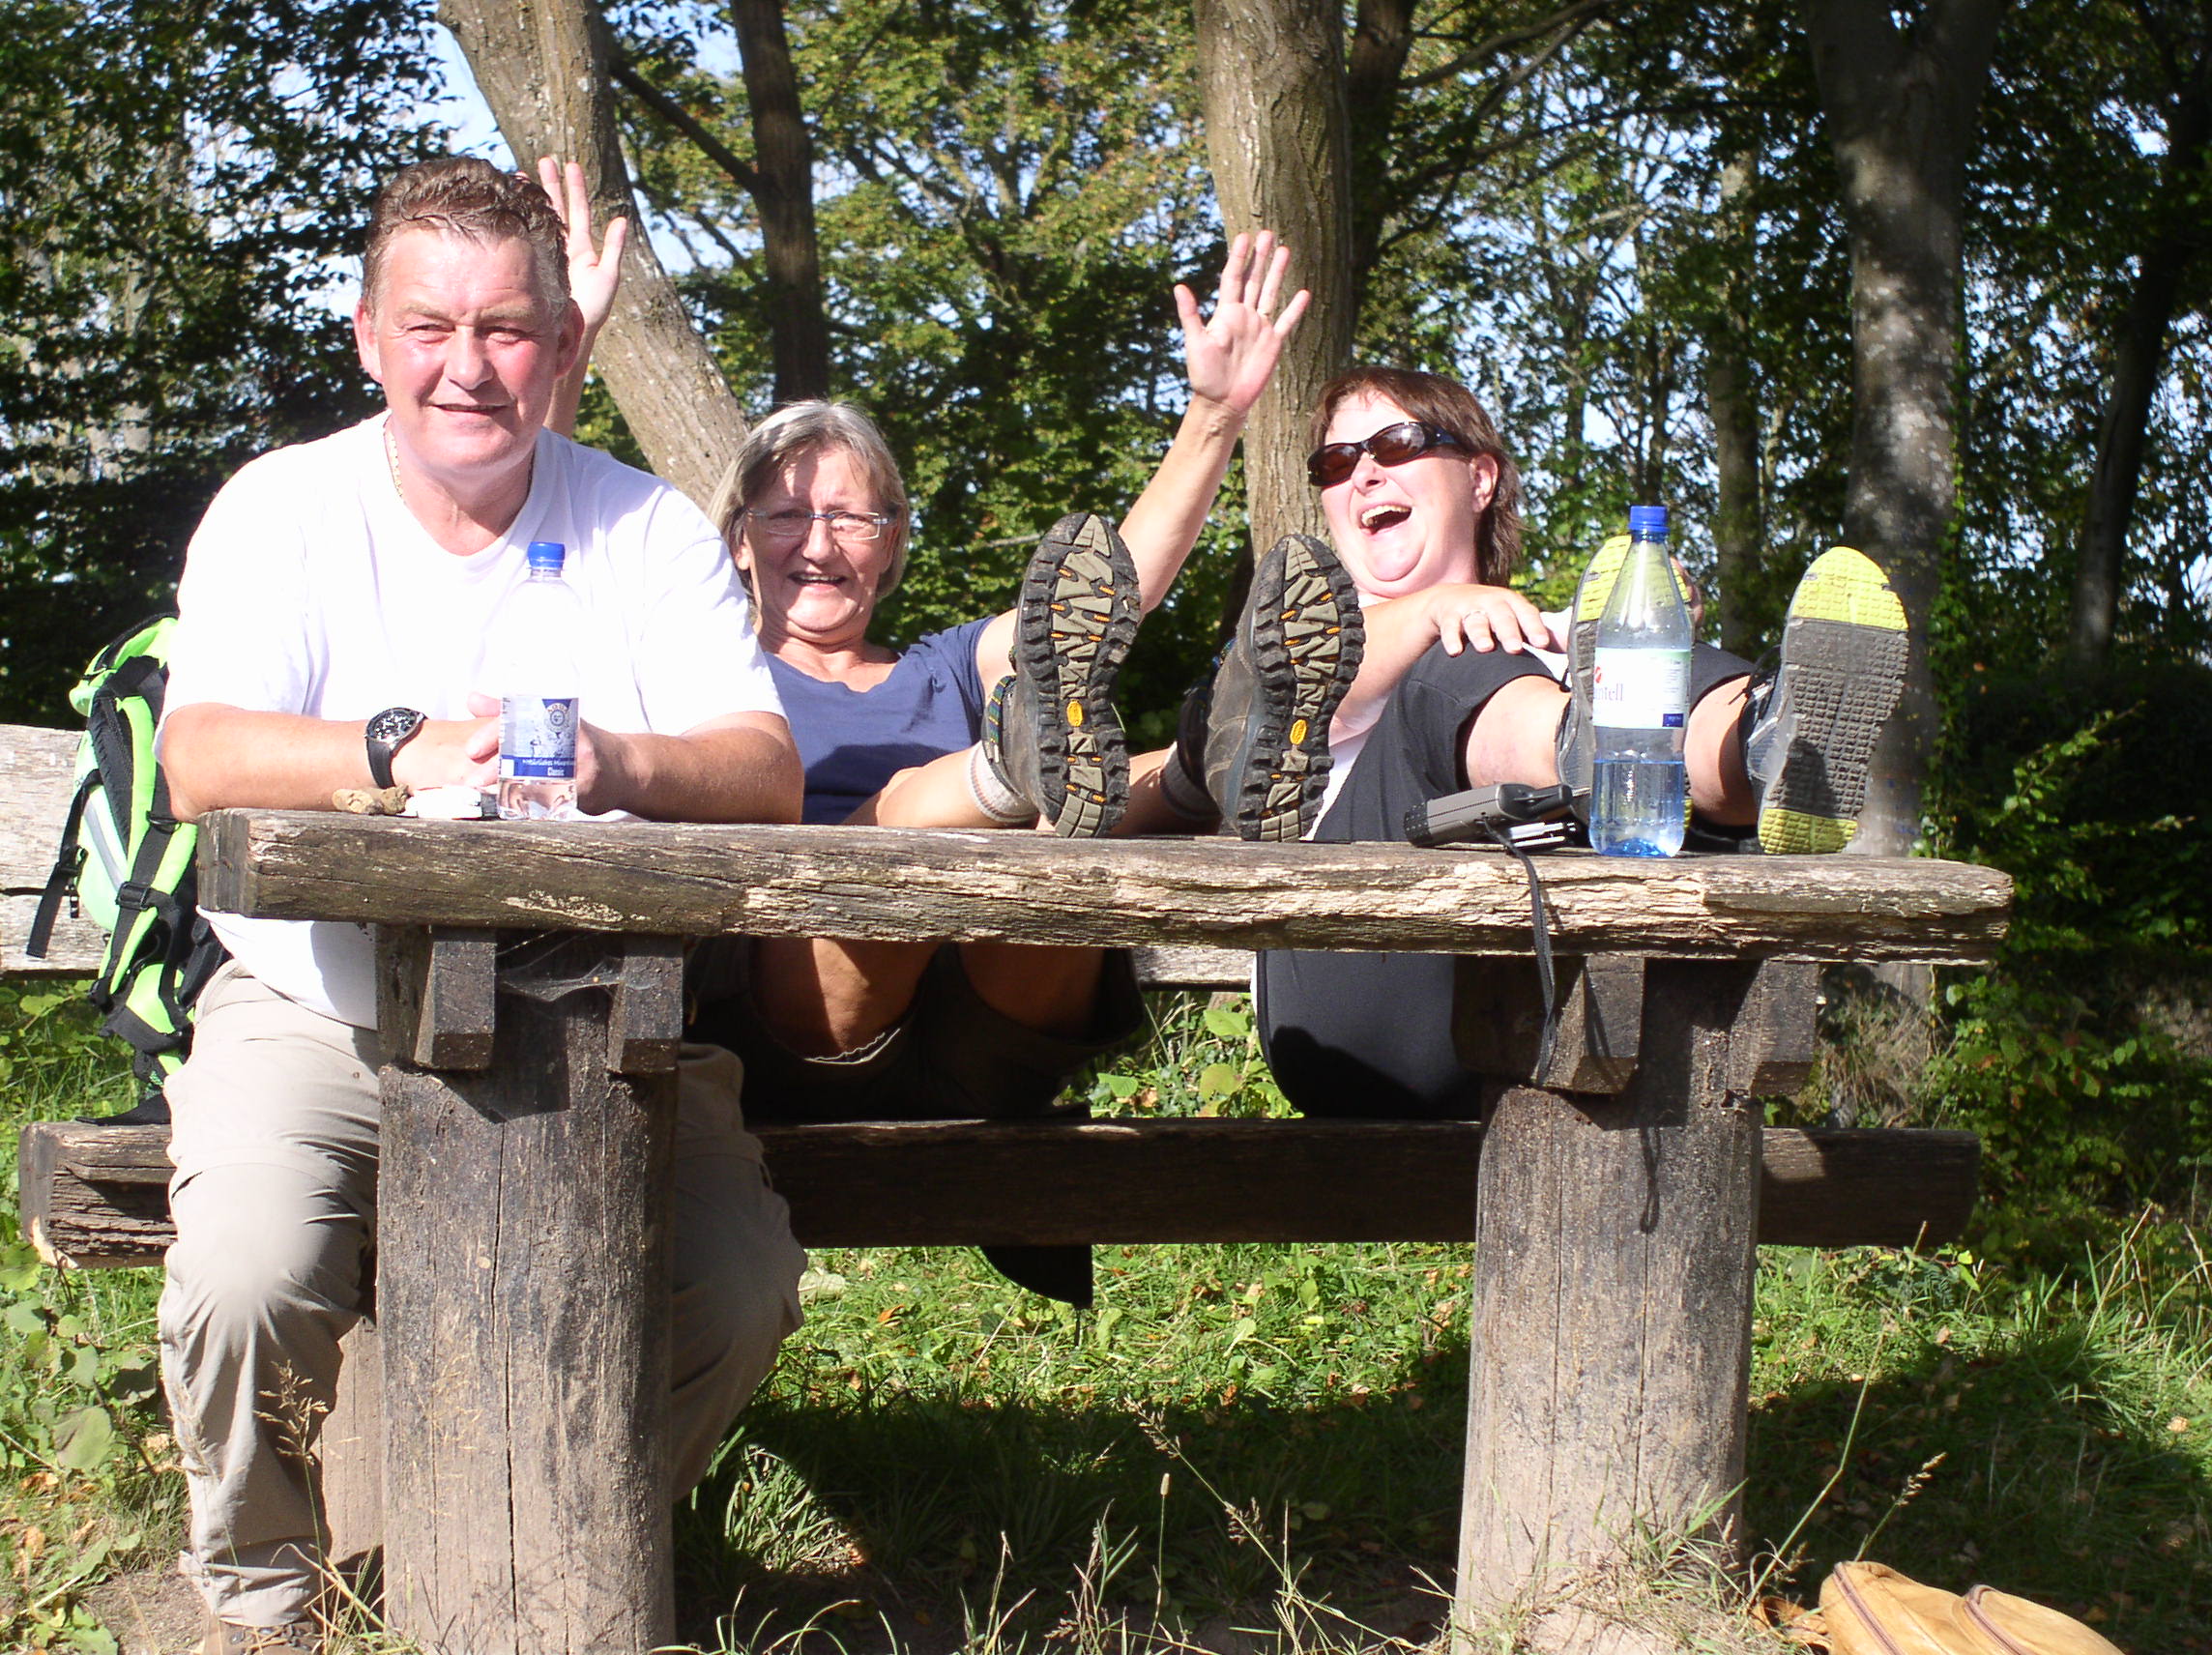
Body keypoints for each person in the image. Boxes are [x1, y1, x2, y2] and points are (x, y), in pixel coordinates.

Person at [155, 157, 809, 1655]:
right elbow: (202, 757)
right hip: (319, 1007)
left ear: (562, 344)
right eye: (431, 326)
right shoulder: (283, 509)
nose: (468, 366)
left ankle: (521, 1542)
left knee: (736, 1287)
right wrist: (404, 746)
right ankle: (267, 1604)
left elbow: (767, 768)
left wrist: (620, 758)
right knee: (247, 1278)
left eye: (507, 329)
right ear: (369, 337)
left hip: (600, 1020)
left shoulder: (645, 529)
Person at [541, 160, 1336, 1305]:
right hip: (801, 1025)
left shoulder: (944, 664)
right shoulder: (702, 675)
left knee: (1057, 821)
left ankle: (1202, 759)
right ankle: (1058, 774)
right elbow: (539, 557)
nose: (819, 540)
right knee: (923, 816)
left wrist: (1214, 416)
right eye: (786, 512)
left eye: (851, 515)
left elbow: (1101, 600)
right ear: (735, 540)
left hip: (995, 1025)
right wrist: (564, 348)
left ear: (892, 544)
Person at [1167, 364, 1910, 1118]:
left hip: (1585, 1001)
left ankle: (1767, 741)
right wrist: (1437, 610)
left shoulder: (1559, 637)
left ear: (1480, 478)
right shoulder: (1298, 640)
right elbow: (1295, 689)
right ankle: (1588, 759)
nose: (1363, 473)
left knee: (1648, 659)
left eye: (1395, 444)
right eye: (1335, 461)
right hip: (1361, 1001)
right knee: (1453, 674)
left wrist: (1647, 635)